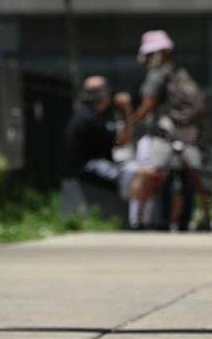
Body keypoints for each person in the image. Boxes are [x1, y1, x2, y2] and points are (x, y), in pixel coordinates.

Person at [128, 30, 212, 231]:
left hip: (165, 132)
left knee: (148, 172)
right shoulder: (180, 73)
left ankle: (137, 220)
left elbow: (149, 104)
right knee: (195, 177)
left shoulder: (156, 76)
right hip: (189, 132)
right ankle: (203, 218)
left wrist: (131, 122)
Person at [64, 76, 159, 230]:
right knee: (138, 174)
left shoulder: (94, 114)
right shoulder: (88, 118)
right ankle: (135, 222)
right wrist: (127, 109)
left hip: (98, 161)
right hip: (88, 165)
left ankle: (141, 220)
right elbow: (123, 140)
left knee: (144, 172)